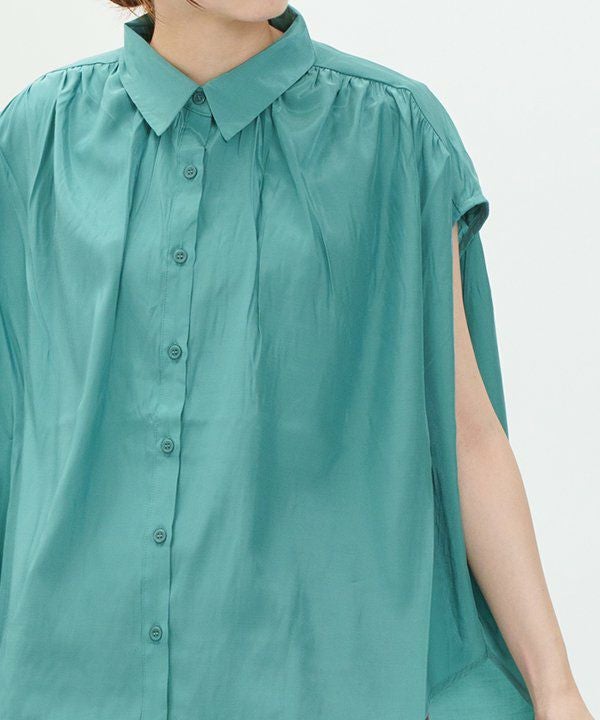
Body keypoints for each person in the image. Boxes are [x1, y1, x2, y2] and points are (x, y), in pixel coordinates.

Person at [0, 1, 593, 718]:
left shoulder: (393, 134)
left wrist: (557, 689)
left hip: (314, 675)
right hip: (66, 677)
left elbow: (466, 433)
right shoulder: (37, 135)